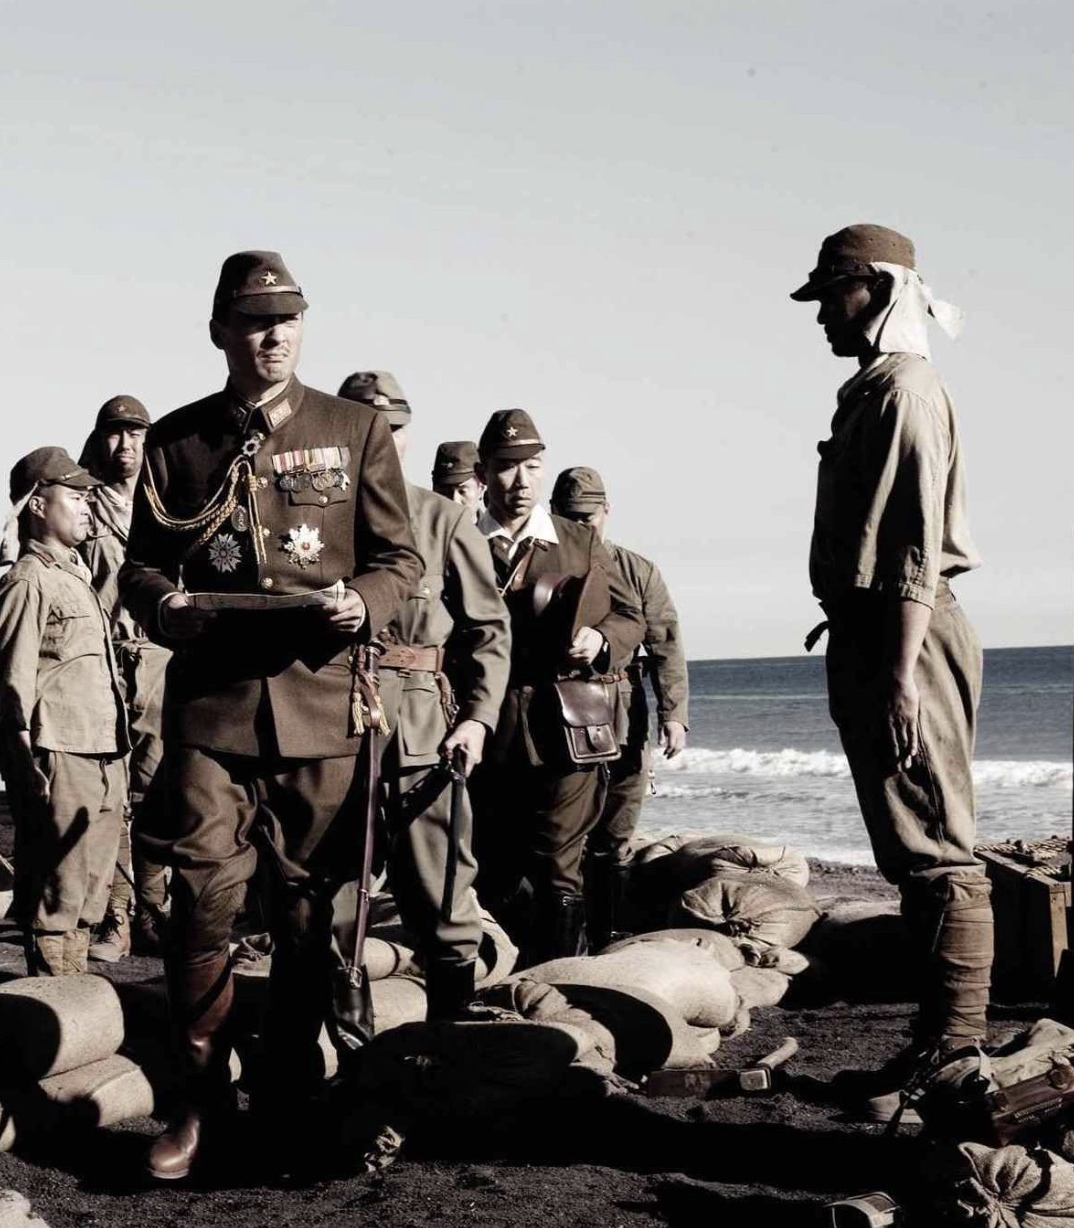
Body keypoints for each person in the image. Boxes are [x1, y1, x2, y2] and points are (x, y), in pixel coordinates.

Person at [120, 251, 421, 1181]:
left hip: (320, 707)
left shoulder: (356, 429)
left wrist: (363, 603)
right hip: (212, 711)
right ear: (220, 332)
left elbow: (399, 561)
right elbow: (139, 567)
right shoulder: (176, 442)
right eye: (254, 322)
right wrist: (159, 605)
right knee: (201, 903)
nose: (274, 335)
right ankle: (201, 1098)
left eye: (288, 319)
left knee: (309, 914)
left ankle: (291, 1086)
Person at [790, 223, 990, 1116]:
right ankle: (933, 1047)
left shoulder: (905, 390)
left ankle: (956, 1062)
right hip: (875, 635)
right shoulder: (870, 388)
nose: (824, 313)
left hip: (905, 634)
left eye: (833, 294)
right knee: (908, 852)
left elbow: (914, 547)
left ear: (874, 289)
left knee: (939, 851)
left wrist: (903, 671)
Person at [336, 372, 510, 1021]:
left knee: (440, 893)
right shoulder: (309, 523)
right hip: (327, 732)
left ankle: (449, 1040)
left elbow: (488, 629)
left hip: (420, 732)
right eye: (365, 429)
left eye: (396, 429)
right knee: (331, 897)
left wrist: (478, 721)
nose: (382, 440)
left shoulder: (442, 520)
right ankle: (345, 1047)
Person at [469, 409, 643, 965]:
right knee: (491, 859)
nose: (520, 482)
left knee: (558, 861)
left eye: (532, 467)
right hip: (485, 726)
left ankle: (558, 986)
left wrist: (599, 638)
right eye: (506, 468)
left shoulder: (580, 541)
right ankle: (506, 970)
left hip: (569, 725)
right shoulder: (458, 540)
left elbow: (629, 617)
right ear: (482, 471)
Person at [0, 446, 129, 976]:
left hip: (102, 748)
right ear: (39, 506)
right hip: (60, 750)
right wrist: (24, 766)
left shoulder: (76, 576)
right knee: (58, 882)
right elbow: (10, 686)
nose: (88, 506)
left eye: (90, 495)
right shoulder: (28, 581)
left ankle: (75, 994)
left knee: (92, 882)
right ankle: (52, 990)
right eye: (75, 496)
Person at [549, 467, 689, 948]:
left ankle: (606, 935)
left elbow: (666, 643)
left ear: (607, 511)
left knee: (617, 827)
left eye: (588, 517)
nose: (582, 527)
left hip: (624, 703)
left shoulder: (637, 570)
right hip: (560, 704)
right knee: (563, 831)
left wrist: (675, 714)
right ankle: (562, 942)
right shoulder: (541, 563)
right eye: (570, 518)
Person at [78, 394, 172, 961]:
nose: (125, 446)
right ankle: (116, 916)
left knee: (159, 789)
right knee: (110, 793)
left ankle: (154, 909)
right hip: (102, 660)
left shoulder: (168, 504)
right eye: (115, 434)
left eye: (136, 435)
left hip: (158, 657)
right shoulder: (81, 505)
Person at [431, 441, 486, 512]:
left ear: (480, 490)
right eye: (445, 492)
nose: (454, 500)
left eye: (462, 491)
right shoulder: (418, 522)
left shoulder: (494, 523)